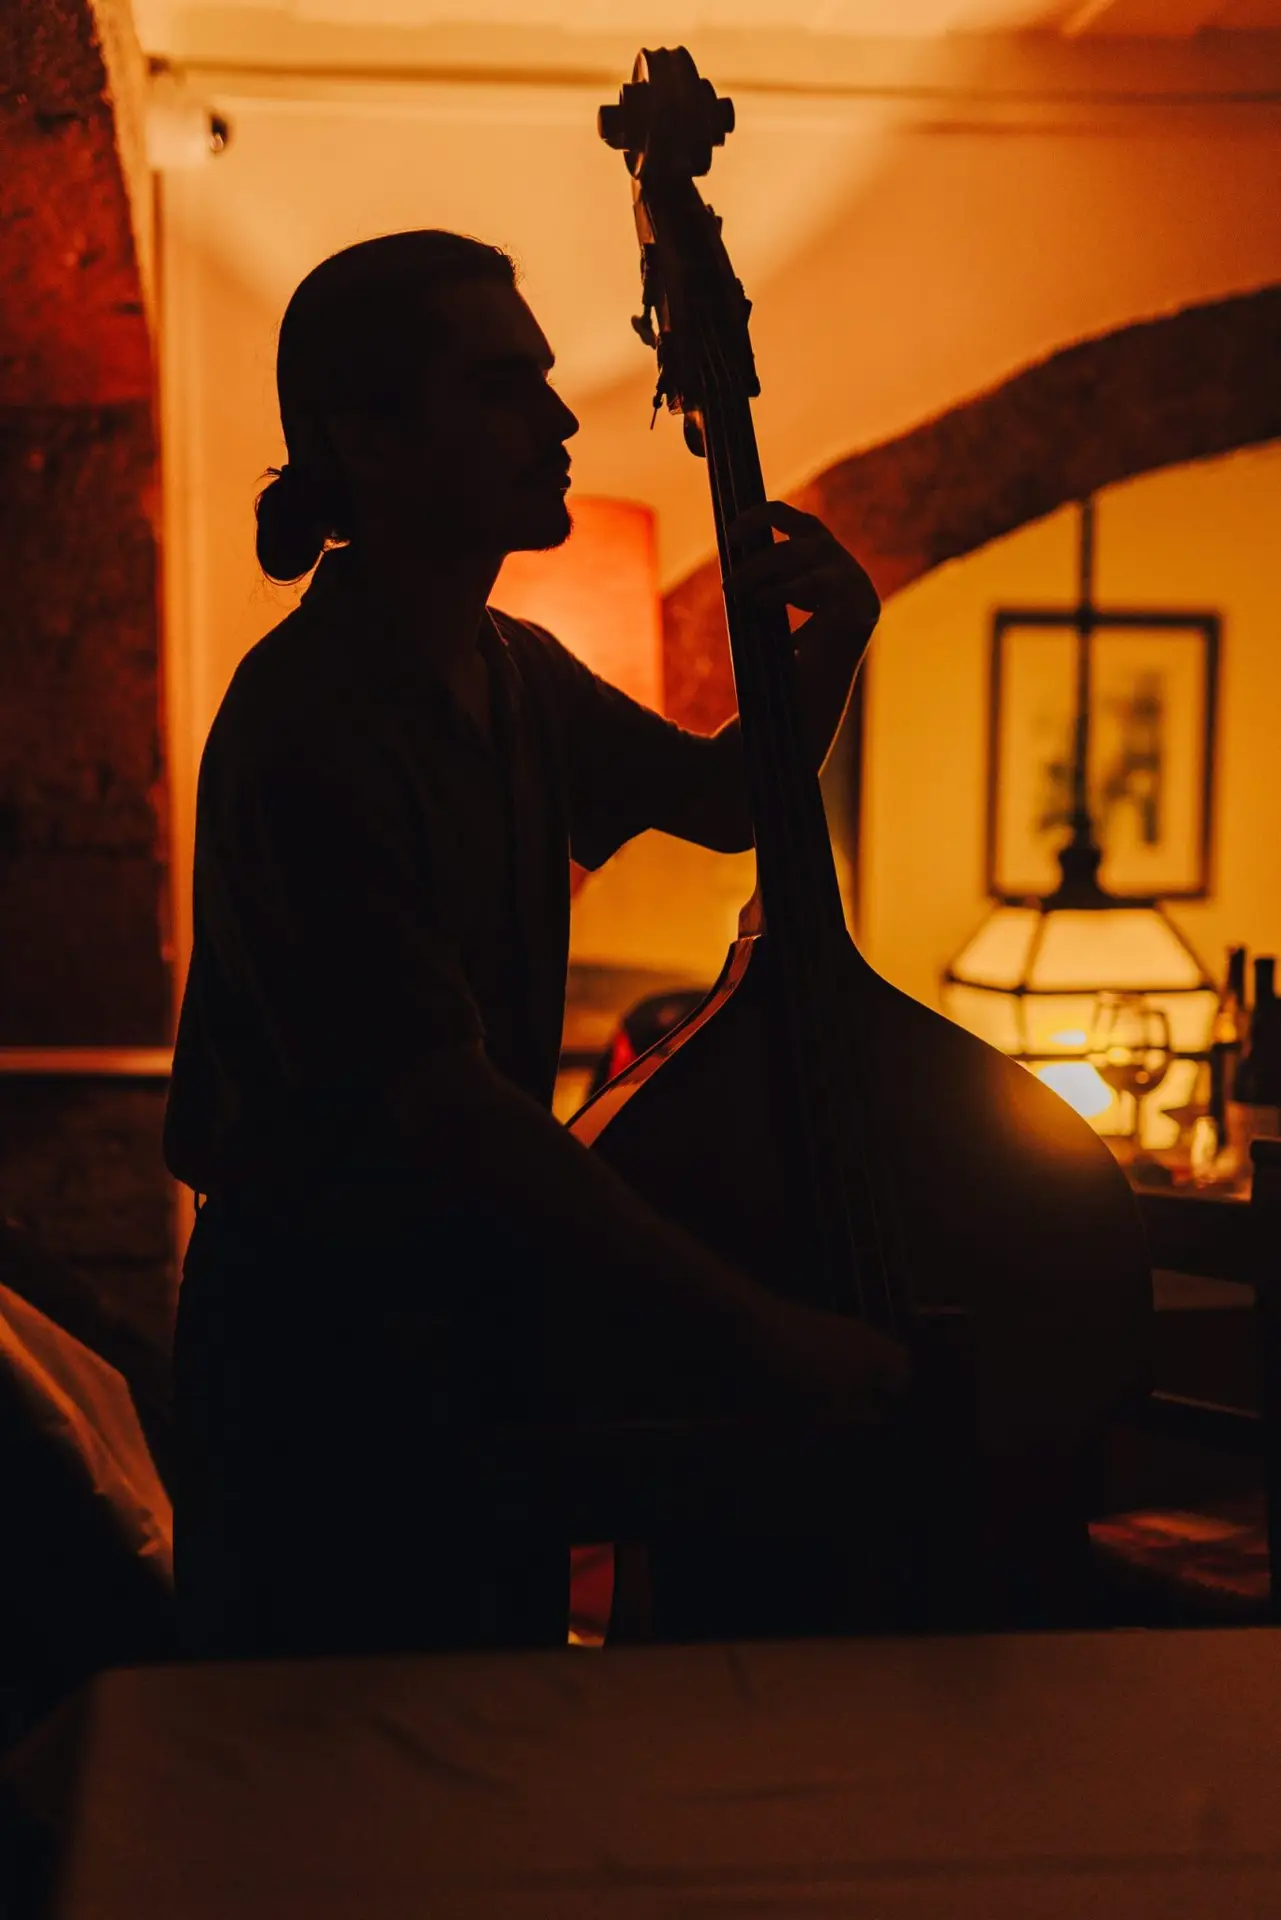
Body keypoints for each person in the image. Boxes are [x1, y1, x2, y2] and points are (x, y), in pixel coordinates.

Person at [164, 229, 906, 1659]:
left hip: (458, 1334)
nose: (562, 421)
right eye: (503, 389)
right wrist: (762, 1330)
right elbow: (455, 1118)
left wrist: (846, 630)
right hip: (323, 1369)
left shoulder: (514, 669)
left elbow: (724, 799)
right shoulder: (308, 729)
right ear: (368, 441)